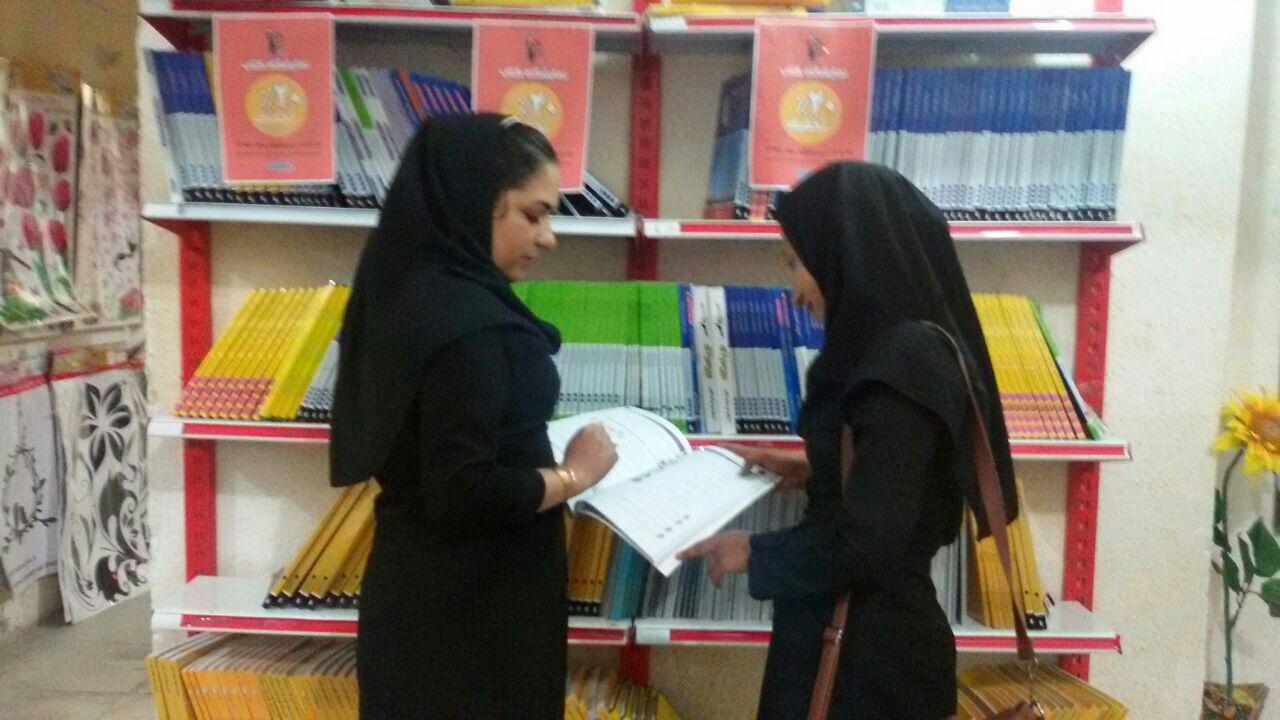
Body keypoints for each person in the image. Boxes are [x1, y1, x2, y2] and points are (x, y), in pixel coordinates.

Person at [679, 162, 1020, 719]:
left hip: (869, 664)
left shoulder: (903, 363)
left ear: (849, 254)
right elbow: (904, 481)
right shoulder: (900, 352)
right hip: (858, 642)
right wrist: (814, 468)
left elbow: (870, 546)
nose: (795, 292)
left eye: (798, 264)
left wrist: (752, 551)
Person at [329, 114, 619, 719]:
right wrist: (577, 475)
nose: (548, 238)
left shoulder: (411, 293)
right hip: (473, 613)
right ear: (476, 201)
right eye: (533, 214)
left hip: (428, 589)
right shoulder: (467, 327)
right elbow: (464, 489)